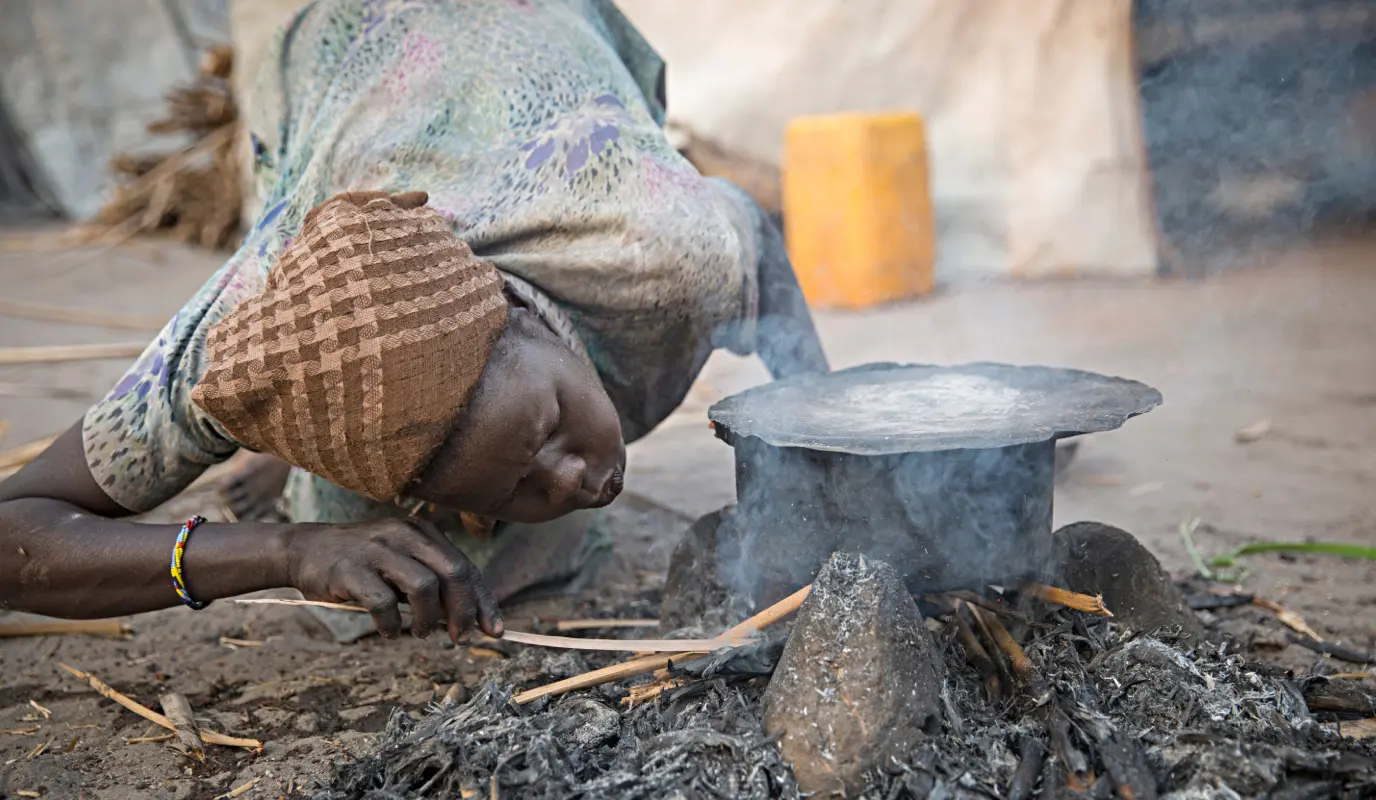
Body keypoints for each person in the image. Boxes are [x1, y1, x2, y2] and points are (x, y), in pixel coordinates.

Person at [0, 0, 827, 644]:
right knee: (376, 594)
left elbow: (772, 277)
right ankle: (312, 461)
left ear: (521, 310)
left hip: (523, 27)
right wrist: (282, 554)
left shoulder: (661, 244)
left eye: (551, 421)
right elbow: (14, 537)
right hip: (337, 76)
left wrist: (829, 476)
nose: (578, 479)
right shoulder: (236, 345)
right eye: (516, 486)